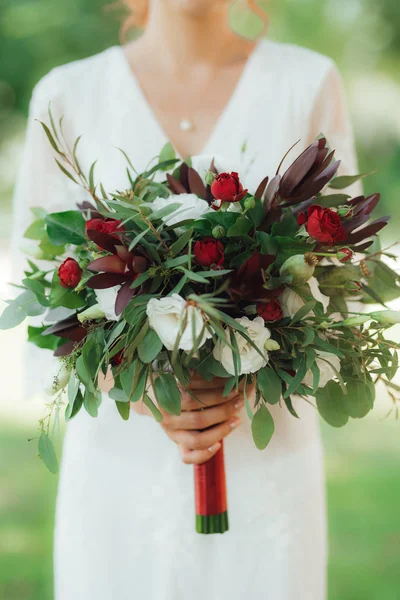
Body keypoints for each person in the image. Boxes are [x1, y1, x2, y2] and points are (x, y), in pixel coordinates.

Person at [12, 1, 361, 598]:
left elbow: (339, 282)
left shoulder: (306, 82)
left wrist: (248, 373)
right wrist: (143, 389)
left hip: (263, 457)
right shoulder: (68, 94)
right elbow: (48, 293)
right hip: (121, 469)